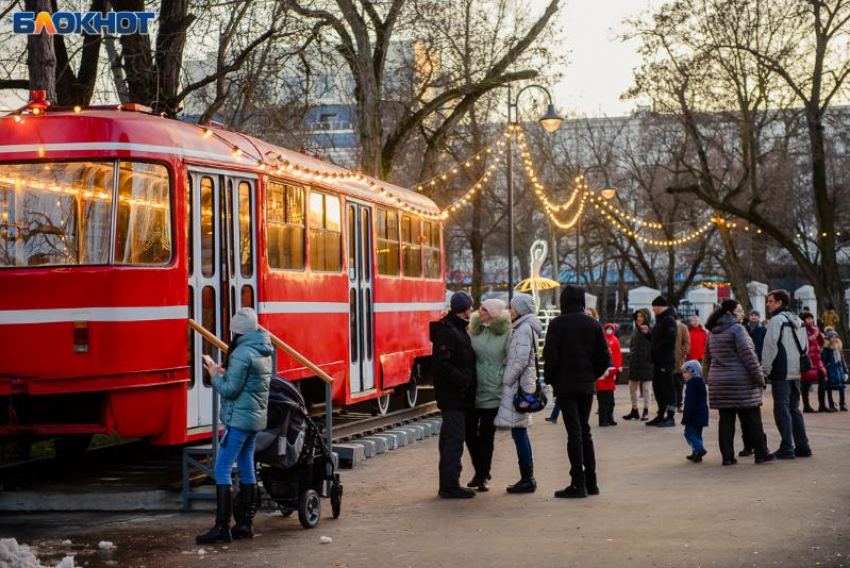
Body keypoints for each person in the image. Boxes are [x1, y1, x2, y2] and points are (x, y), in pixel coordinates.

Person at [197, 307, 273, 544]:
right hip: (254, 420)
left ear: (236, 331)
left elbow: (230, 390)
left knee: (222, 468)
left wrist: (214, 375)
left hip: (238, 421)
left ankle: (222, 527)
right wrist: (225, 372)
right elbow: (247, 384)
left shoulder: (241, 353)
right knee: (246, 466)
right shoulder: (262, 350)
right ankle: (245, 524)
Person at [543, 285, 611, 499]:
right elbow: (604, 358)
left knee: (573, 432)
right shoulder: (593, 324)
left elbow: (550, 357)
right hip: (586, 385)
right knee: (585, 431)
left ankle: (577, 483)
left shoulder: (557, 324)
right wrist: (592, 375)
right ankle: (592, 482)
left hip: (565, 385)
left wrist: (550, 379)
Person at [704, 300, 774, 466]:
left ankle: (727, 458)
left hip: (719, 382)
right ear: (730, 312)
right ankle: (761, 454)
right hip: (741, 382)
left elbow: (707, 359)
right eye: (740, 310)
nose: (743, 314)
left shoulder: (712, 331)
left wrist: (709, 379)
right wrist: (760, 378)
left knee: (726, 420)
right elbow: (749, 357)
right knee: (752, 419)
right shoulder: (737, 329)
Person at [430, 290, 477, 499]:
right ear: (465, 309)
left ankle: (449, 483)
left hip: (457, 394)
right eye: (470, 307)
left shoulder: (455, 328)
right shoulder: (449, 331)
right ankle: (450, 486)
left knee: (451, 438)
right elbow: (442, 365)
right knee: (453, 440)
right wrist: (464, 380)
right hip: (453, 395)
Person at [495, 293, 543, 494]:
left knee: (520, 432)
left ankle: (528, 479)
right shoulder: (524, 327)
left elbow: (520, 360)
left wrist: (505, 379)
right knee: (519, 432)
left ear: (521, 309)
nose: (510, 311)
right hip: (523, 385)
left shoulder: (523, 329)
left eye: (513, 308)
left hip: (518, 386)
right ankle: (527, 477)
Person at [465, 299, 511, 492]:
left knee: (486, 436)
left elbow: (510, 361)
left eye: (485, 309)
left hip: (494, 390)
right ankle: (481, 470)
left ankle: (482, 475)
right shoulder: (474, 330)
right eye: (480, 308)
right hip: (473, 389)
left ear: (494, 314)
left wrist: (502, 379)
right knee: (468, 433)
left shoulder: (507, 334)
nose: (479, 311)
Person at [762, 289, 813, 460]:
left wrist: (765, 369)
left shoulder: (776, 321)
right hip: (796, 369)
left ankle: (787, 447)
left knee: (782, 407)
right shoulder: (797, 320)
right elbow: (805, 346)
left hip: (781, 370)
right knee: (794, 408)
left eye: (770, 301)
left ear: (779, 303)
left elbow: (770, 347)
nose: (768, 304)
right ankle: (803, 446)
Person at [647, 296, 678, 427]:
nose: (653, 309)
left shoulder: (668, 320)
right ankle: (660, 415)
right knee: (658, 388)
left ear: (659, 307)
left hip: (665, 360)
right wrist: (646, 334)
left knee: (667, 387)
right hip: (658, 360)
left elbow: (670, 340)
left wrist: (655, 348)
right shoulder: (661, 320)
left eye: (654, 307)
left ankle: (670, 417)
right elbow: (655, 339)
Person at [800, 312, 828, 412]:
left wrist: (819, 334)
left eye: (811, 318)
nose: (810, 320)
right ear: (803, 320)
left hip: (817, 360)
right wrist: (808, 338)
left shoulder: (815, 328)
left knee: (823, 381)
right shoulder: (801, 329)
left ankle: (822, 405)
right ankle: (806, 406)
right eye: (808, 319)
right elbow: (799, 343)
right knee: (806, 383)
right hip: (808, 360)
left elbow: (822, 343)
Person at [681, 360, 708, 463]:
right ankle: (696, 453)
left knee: (689, 433)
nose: (683, 375)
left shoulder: (692, 384)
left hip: (694, 415)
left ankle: (699, 450)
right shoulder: (700, 382)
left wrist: (686, 417)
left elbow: (690, 403)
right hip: (701, 414)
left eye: (685, 372)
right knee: (697, 434)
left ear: (692, 371)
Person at [597, 323, 621, 427]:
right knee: (604, 403)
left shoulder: (615, 340)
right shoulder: (602, 343)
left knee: (610, 402)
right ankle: (603, 420)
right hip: (603, 381)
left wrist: (616, 370)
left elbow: (617, 355)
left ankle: (609, 418)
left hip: (610, 380)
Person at [822, 330, 848, 412]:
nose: (835, 339)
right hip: (830, 371)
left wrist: (845, 370)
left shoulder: (839, 348)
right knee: (829, 388)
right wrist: (825, 372)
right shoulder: (826, 350)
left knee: (842, 387)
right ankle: (831, 404)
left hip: (839, 371)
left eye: (836, 337)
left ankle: (842, 403)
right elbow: (823, 361)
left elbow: (842, 360)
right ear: (829, 339)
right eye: (832, 337)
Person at [674, 318, 691, 413]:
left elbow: (687, 342)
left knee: (678, 383)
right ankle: (670, 404)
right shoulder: (665, 326)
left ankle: (679, 404)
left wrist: (683, 353)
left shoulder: (682, 327)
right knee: (668, 383)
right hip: (666, 360)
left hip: (678, 360)